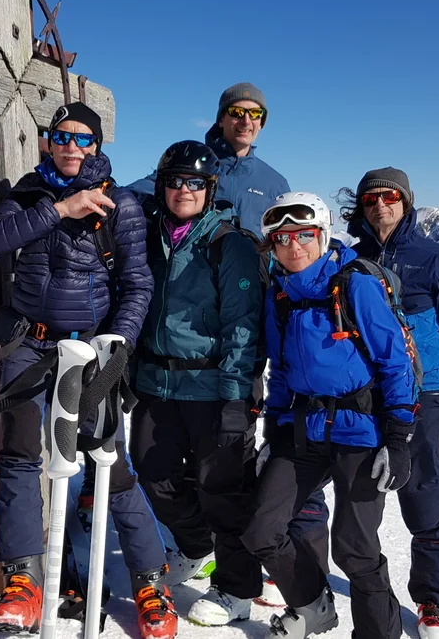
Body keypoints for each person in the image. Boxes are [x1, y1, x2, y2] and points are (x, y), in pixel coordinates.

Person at [0, 102, 177, 639]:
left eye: (82, 139)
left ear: (98, 145)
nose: (70, 146)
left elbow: (138, 284)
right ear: (48, 140)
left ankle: (149, 581)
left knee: (109, 459)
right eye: (60, 135)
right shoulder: (28, 194)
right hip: (29, 344)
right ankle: (23, 579)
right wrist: (60, 210)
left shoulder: (122, 206)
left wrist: (119, 343)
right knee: (21, 455)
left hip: (92, 350)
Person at [234, 192, 417, 639]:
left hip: (361, 429)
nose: (294, 247)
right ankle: (313, 605)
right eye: (282, 239)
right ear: (272, 246)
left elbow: (395, 362)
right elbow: (281, 371)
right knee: (262, 530)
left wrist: (397, 438)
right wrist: (273, 433)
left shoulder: (355, 284)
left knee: (354, 550)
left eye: (304, 236)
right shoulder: (280, 294)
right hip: (304, 429)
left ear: (323, 236)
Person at [331, 167, 439, 638]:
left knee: (425, 497)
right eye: (370, 198)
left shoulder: (435, 259)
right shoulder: (351, 262)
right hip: (367, 396)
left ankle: (432, 601)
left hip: (428, 395)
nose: (380, 204)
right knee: (359, 501)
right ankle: (367, 587)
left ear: (407, 201)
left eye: (390, 196)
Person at [128, 141, 266, 626]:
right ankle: (194, 545)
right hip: (157, 383)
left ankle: (237, 587)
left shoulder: (229, 244)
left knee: (222, 489)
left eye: (194, 182)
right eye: (174, 180)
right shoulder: (147, 237)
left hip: (213, 387)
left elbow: (244, 327)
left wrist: (236, 398)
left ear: (210, 190)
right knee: (153, 473)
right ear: (161, 186)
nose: (183, 190)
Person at [128, 82, 289, 234]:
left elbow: (287, 236)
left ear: (261, 123)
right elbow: (134, 192)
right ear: (221, 119)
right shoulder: (193, 163)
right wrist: (105, 190)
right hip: (190, 263)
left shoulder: (275, 183)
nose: (246, 121)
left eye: (255, 113)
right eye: (237, 112)